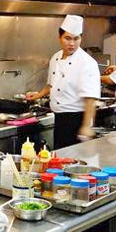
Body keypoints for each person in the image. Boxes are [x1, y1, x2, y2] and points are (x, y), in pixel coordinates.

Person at [27, 15, 100, 149]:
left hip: (77, 119)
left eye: (76, 39)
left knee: (73, 159)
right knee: (60, 157)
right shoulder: (55, 58)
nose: (72, 43)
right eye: (68, 38)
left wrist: (86, 126)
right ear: (59, 38)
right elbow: (52, 84)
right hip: (59, 119)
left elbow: (90, 99)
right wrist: (39, 94)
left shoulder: (87, 62)